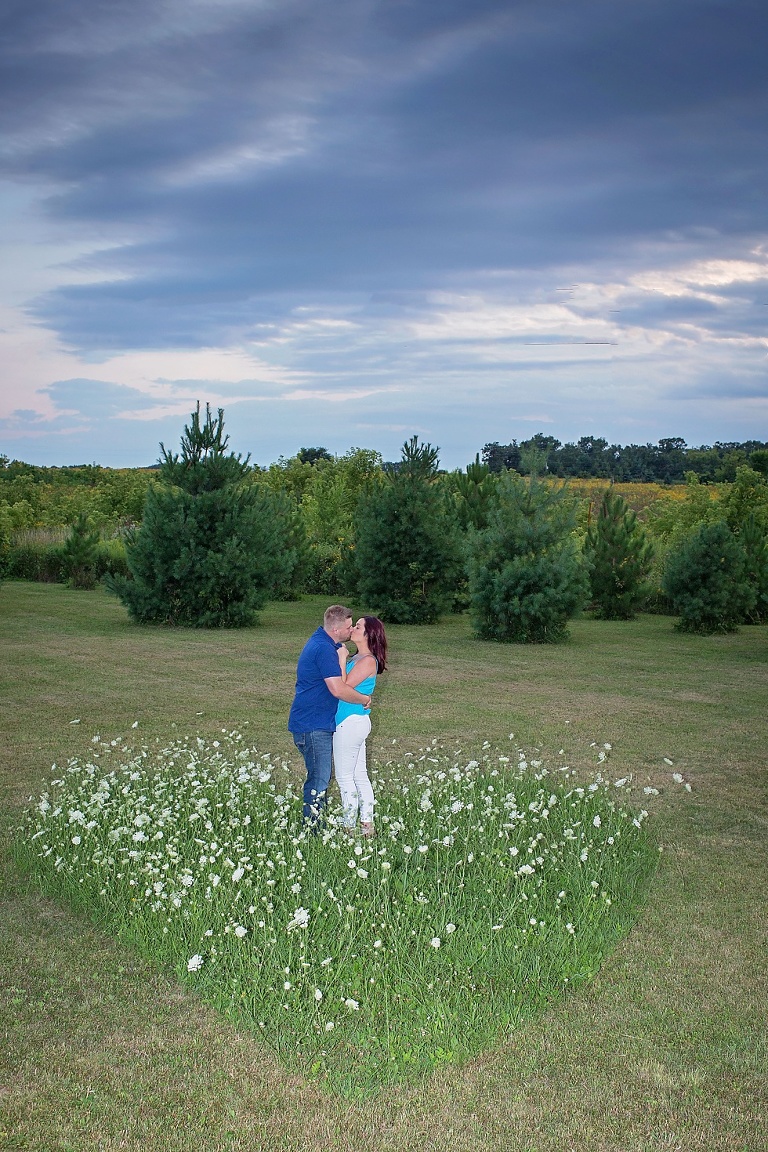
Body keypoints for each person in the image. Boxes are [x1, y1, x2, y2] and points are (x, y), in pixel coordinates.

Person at [288, 605, 373, 826]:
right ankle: (313, 831)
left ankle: (319, 827)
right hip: (313, 725)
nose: (350, 630)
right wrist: (364, 699)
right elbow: (338, 689)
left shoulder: (325, 642)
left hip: (316, 722)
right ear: (336, 630)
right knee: (319, 779)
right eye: (348, 626)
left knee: (321, 777)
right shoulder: (324, 649)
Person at [333, 616, 387, 837]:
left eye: (358, 626)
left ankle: (349, 827)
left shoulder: (367, 660)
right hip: (353, 721)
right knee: (359, 775)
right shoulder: (360, 658)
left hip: (349, 722)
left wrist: (341, 658)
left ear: (368, 634)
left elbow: (343, 686)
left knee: (345, 777)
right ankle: (366, 826)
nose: (353, 628)